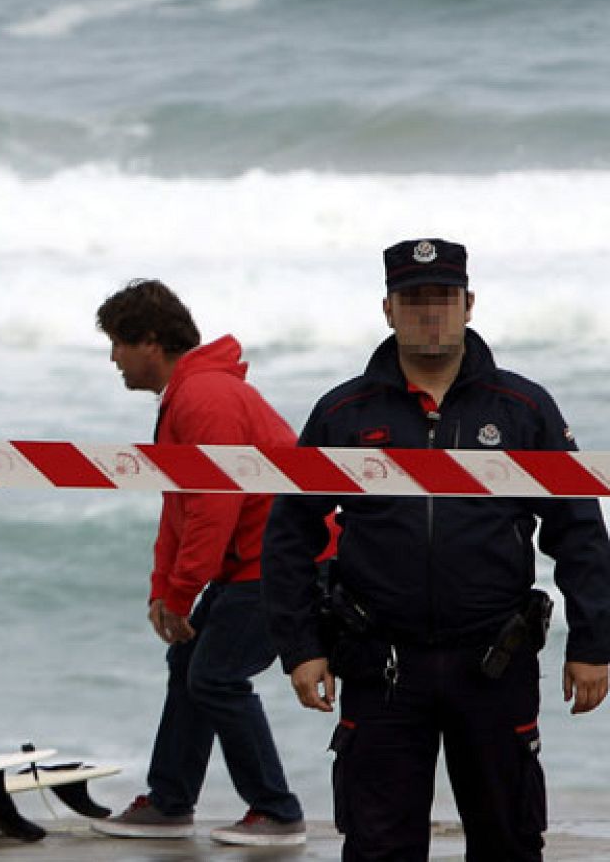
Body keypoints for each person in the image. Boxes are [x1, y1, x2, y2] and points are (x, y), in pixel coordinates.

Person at [262, 239, 610, 861]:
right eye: (414, 299)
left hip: (494, 666)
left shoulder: (523, 410)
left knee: (508, 841)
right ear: (388, 309)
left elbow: (578, 530)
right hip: (380, 667)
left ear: (469, 304)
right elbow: (290, 531)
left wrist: (593, 643)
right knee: (378, 848)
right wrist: (301, 648)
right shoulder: (344, 413)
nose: (431, 313)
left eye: (444, 299)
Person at [90, 279, 307, 847]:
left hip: (287, 558)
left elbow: (216, 503)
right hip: (250, 560)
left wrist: (184, 591)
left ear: (151, 342)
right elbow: (178, 502)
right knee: (191, 667)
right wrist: (164, 589)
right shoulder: (186, 395)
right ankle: (169, 803)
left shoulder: (204, 397)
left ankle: (277, 811)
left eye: (117, 343)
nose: (113, 358)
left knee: (216, 675)